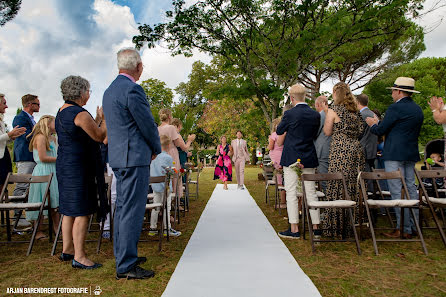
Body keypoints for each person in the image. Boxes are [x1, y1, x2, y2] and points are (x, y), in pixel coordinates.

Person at [103, 48, 161, 280]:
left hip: (118, 157)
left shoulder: (109, 91)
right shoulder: (133, 89)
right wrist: (156, 148)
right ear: (138, 67)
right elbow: (147, 124)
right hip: (134, 157)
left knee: (123, 209)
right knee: (132, 211)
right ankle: (126, 264)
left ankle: (124, 255)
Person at [56, 75, 107, 269]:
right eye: (88, 91)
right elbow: (99, 136)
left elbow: (82, 131)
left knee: (68, 210)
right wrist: (107, 119)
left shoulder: (61, 112)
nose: (89, 94)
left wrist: (98, 119)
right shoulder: (79, 113)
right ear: (81, 92)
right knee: (82, 211)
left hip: (65, 165)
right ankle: (80, 257)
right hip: (79, 167)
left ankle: (67, 249)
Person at [366, 77, 424, 239]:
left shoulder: (394, 109)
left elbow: (380, 130)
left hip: (394, 154)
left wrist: (373, 123)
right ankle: (413, 226)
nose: (392, 94)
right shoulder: (417, 109)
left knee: (396, 190)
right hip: (411, 153)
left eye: (392, 91)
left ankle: (402, 227)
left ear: (399, 91)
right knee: (411, 189)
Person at [276, 83, 321, 239]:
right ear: (305, 96)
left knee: (291, 193)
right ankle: (316, 227)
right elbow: (314, 134)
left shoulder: (290, 114)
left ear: (292, 97)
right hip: (309, 156)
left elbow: (279, 131)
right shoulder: (315, 114)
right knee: (311, 192)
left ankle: (294, 228)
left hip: (291, 157)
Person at [322, 82, 365, 238]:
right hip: (356, 150)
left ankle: (336, 225)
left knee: (338, 184)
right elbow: (361, 131)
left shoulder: (334, 110)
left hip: (340, 150)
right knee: (352, 184)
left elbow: (327, 131)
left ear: (335, 94)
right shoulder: (356, 112)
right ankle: (351, 224)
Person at [25, 115, 60, 240]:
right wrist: (61, 159)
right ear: (47, 124)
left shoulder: (54, 138)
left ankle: (57, 228)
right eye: (55, 122)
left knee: (55, 200)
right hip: (43, 171)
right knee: (41, 199)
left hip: (54, 171)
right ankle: (38, 230)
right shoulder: (40, 138)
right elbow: (43, 158)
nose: (57, 125)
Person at [12, 94, 40, 230]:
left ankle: (29, 216)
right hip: (24, 156)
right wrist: (42, 135)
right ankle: (17, 218)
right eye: (37, 104)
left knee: (29, 188)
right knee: (22, 186)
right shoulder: (20, 118)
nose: (39, 106)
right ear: (29, 104)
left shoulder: (31, 119)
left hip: (32, 156)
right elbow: (26, 136)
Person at [158, 109, 195, 202]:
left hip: (160, 155)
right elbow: (178, 144)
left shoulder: (157, 128)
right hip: (171, 154)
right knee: (174, 178)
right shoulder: (170, 128)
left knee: (163, 178)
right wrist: (189, 140)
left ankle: (164, 204)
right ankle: (174, 204)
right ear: (169, 117)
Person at [149, 135, 181, 237]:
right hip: (165, 186)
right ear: (168, 145)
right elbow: (170, 171)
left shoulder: (153, 156)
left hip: (155, 185)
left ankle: (152, 228)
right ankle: (167, 228)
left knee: (155, 206)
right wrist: (174, 171)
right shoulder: (167, 157)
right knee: (166, 207)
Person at [0, 94, 26, 188]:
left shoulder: (1, 121)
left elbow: (2, 140)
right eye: (4, 103)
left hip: (4, 156)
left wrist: (12, 137)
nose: (6, 106)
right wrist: (9, 134)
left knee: (4, 186)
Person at [357, 94, 378, 172]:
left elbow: (358, 133)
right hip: (372, 149)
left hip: (363, 149)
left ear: (358, 102)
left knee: (365, 176)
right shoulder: (374, 114)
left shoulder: (361, 115)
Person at [267, 117, 286, 208]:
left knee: (280, 180)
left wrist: (268, 142)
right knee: (285, 179)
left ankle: (282, 202)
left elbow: (270, 147)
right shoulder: (285, 134)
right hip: (284, 156)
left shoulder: (274, 135)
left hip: (276, 158)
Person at [314, 95, 331, 175]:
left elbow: (315, 132)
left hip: (322, 150)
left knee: (323, 178)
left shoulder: (321, 116)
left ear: (318, 104)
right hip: (331, 148)